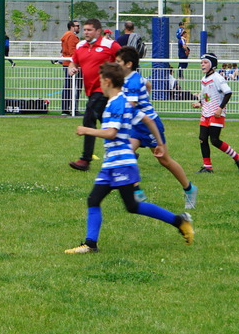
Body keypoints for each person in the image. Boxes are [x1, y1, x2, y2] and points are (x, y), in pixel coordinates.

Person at [64, 62, 193, 253]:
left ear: (108, 81)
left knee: (132, 205)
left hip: (122, 163)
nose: (100, 84)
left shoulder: (117, 102)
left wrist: (86, 130)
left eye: (101, 80)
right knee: (94, 199)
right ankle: (90, 244)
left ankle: (179, 221)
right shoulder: (123, 101)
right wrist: (159, 143)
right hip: (111, 163)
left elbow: (111, 133)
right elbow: (147, 119)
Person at [117, 46, 197, 210]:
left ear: (128, 64)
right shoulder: (132, 77)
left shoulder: (132, 81)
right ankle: (137, 191)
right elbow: (148, 85)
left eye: (118, 61)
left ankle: (189, 188)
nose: (115, 64)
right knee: (125, 154)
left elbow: (129, 106)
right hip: (136, 125)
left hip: (149, 125)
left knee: (164, 160)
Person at [67, 19, 121, 171]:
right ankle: (127, 146)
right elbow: (73, 62)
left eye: (89, 30)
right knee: (107, 122)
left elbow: (124, 60)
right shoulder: (80, 46)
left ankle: (85, 160)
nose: (86, 32)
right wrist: (72, 68)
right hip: (90, 91)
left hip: (104, 90)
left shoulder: (110, 45)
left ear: (98, 31)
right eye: (85, 30)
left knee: (89, 117)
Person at [193, 52, 239, 174]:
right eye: (201, 62)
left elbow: (228, 92)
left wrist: (220, 108)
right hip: (205, 112)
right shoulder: (204, 79)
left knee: (215, 140)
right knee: (202, 138)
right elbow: (207, 95)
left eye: (205, 62)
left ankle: (237, 157)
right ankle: (207, 167)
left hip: (216, 113)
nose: (202, 65)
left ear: (212, 64)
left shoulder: (218, 78)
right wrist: (200, 103)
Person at [59, 20, 80, 114]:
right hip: (72, 64)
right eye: (77, 26)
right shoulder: (71, 36)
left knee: (68, 86)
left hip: (67, 63)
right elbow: (73, 51)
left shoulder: (66, 35)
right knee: (73, 86)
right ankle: (72, 109)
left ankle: (66, 108)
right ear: (72, 27)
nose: (79, 27)